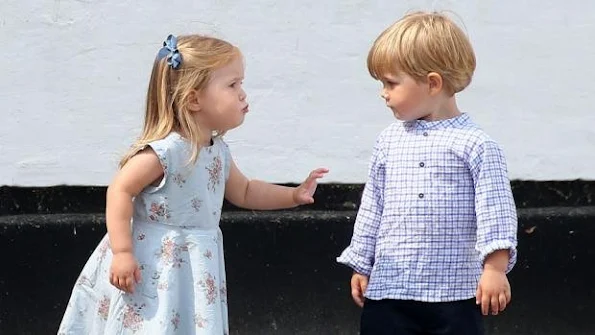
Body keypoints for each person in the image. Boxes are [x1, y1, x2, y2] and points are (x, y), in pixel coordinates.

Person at [58, 34, 328, 334]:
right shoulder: (167, 151)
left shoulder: (217, 151)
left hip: (194, 265)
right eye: (232, 85)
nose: (242, 94)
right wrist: (122, 251)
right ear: (194, 99)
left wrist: (293, 194)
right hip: (154, 266)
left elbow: (246, 191)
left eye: (241, 83)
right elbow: (121, 189)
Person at [337, 11, 518, 335]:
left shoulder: (475, 144)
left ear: (433, 83)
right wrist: (361, 263)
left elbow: (497, 210)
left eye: (391, 83)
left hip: (455, 295)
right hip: (390, 289)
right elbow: (372, 206)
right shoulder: (389, 140)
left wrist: (494, 269)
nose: (383, 92)